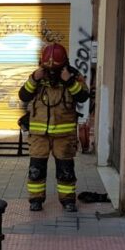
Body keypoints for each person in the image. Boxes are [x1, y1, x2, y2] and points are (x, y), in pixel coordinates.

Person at [18, 43, 89, 212]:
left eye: (55, 69)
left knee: (65, 170)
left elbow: (83, 96)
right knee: (36, 169)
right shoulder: (37, 76)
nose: (51, 72)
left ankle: (68, 201)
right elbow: (24, 95)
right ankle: (35, 201)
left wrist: (69, 81)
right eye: (48, 68)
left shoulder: (73, 76)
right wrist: (34, 79)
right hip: (38, 134)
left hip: (64, 134)